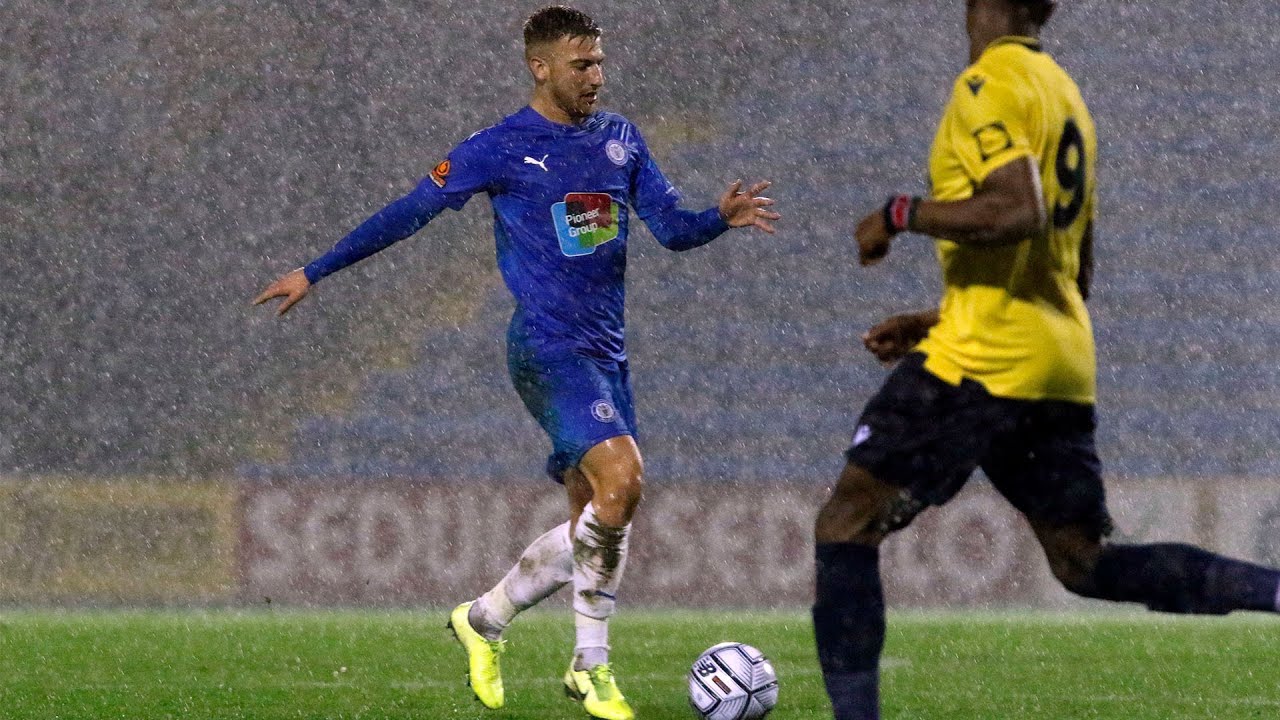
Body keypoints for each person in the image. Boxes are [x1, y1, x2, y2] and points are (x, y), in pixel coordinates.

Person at [255, 6, 778, 719]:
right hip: (546, 346)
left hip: (607, 350)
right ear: (540, 67)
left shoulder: (620, 140)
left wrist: (719, 218)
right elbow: (410, 211)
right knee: (623, 483)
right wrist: (316, 270)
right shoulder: (500, 148)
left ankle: (505, 628)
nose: (596, 76)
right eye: (581, 64)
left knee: (597, 520)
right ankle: (573, 657)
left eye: (599, 62)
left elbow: (672, 229)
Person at [812, 1, 1280, 718]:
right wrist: (936, 317)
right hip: (1055, 361)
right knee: (1084, 563)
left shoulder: (987, 84)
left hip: (983, 361)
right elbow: (1072, 273)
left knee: (846, 523)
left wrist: (898, 214)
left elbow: (1014, 210)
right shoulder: (1064, 95)